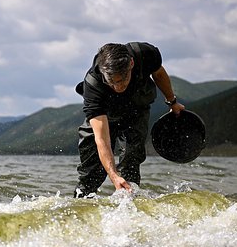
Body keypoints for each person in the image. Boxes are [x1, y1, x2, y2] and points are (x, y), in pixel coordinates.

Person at [74, 42, 185, 198]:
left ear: (131, 64)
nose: (118, 87)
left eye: (122, 81)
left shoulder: (145, 54)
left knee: (131, 163)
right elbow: (102, 139)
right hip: (105, 115)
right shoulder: (93, 86)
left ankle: (130, 211)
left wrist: (172, 102)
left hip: (136, 111)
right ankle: (81, 208)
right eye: (112, 82)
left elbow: (159, 74)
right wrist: (113, 176)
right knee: (92, 172)